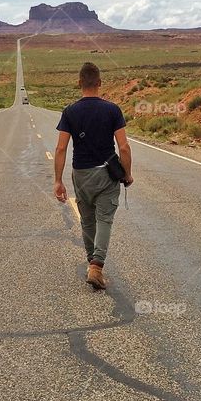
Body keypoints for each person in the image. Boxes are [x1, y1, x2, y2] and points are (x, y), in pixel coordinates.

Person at [54, 62, 133, 290]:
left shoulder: (69, 111)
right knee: (104, 219)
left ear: (79, 83)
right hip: (106, 174)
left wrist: (58, 181)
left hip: (81, 174)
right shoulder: (112, 110)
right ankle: (96, 267)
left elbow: (61, 148)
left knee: (87, 220)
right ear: (99, 83)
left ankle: (92, 262)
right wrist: (127, 174)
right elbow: (124, 147)